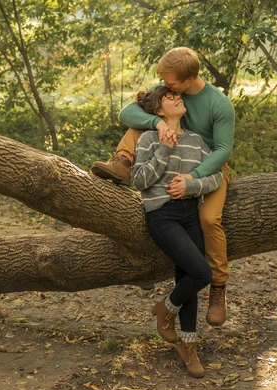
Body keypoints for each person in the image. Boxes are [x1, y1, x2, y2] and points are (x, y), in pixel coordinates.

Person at [91, 47, 234, 327]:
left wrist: (194, 177)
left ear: (189, 78)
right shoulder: (170, 95)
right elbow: (127, 112)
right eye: (166, 84)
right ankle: (122, 162)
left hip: (206, 164)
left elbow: (223, 150)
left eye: (171, 84)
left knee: (209, 218)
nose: (167, 88)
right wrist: (157, 122)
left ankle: (218, 287)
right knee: (143, 124)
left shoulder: (219, 104)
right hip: (172, 155)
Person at [132, 85, 223, 378]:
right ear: (159, 110)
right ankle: (166, 308)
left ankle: (187, 344)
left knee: (189, 276)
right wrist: (165, 148)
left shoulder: (197, 141)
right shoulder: (148, 138)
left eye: (178, 95)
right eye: (170, 97)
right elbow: (140, 179)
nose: (177, 98)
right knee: (202, 273)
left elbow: (217, 175)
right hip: (162, 215)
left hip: (190, 214)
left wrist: (192, 186)